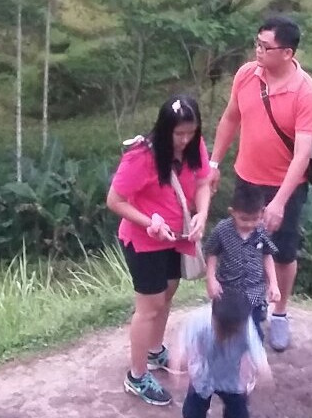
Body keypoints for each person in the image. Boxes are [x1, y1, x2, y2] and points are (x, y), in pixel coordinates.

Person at [209, 15, 312, 352]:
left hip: (284, 186)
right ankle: (242, 308)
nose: (257, 51)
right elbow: (231, 117)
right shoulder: (246, 75)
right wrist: (215, 162)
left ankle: (280, 313)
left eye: (265, 46)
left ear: (287, 53)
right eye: (256, 43)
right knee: (241, 243)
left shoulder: (306, 93)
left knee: (283, 252)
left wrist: (279, 202)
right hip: (246, 177)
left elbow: (302, 155)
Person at [107, 95, 212, 407]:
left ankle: (154, 352)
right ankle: (137, 376)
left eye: (190, 133)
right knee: (149, 306)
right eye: (178, 134)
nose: (184, 140)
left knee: (167, 294)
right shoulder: (141, 157)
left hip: (176, 236)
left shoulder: (196, 146)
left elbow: (204, 183)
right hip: (144, 240)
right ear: (164, 130)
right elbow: (115, 200)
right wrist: (148, 220)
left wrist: (201, 215)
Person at [176, 288, 272, 418]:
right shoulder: (199, 320)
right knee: (193, 412)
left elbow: (257, 351)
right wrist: (180, 366)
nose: (227, 335)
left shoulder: (245, 325)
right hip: (202, 372)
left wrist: (263, 372)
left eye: (232, 331)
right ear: (213, 317)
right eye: (223, 329)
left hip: (231, 375)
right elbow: (182, 347)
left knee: (238, 413)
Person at [204, 184, 280, 341]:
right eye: (244, 219)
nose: (250, 224)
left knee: (254, 332)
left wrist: (273, 283)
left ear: (262, 212)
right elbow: (211, 252)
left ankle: (253, 360)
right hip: (227, 293)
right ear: (232, 212)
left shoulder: (262, 230)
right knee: (223, 333)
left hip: (254, 293)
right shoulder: (222, 230)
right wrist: (211, 279)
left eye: (255, 219)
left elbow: (267, 255)